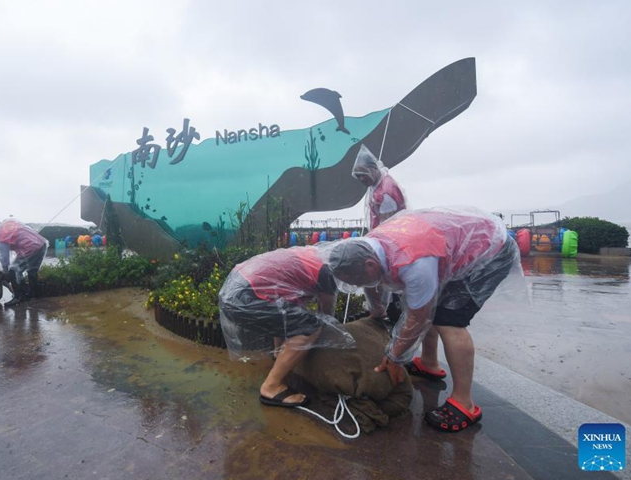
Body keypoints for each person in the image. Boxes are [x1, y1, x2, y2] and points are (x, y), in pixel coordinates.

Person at [326, 206, 521, 432]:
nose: (358, 284)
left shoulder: (413, 263)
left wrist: (394, 356)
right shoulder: (367, 248)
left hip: (489, 250)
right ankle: (429, 363)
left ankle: (464, 403)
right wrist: (377, 311)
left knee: (448, 320)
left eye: (357, 279)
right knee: (430, 308)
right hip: (446, 247)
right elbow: (374, 284)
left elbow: (418, 316)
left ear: (370, 264)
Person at [218, 246, 354, 408]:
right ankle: (271, 386)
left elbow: (286, 307)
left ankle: (279, 356)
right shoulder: (327, 273)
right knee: (310, 327)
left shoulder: (313, 255)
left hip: (234, 289)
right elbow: (326, 313)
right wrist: (323, 335)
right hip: (244, 299)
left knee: (290, 315)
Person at [0, 216, 48, 306]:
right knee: (32, 271)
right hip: (41, 244)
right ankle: (33, 294)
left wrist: (6, 271)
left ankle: (19, 297)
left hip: (30, 248)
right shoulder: (6, 225)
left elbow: (4, 258)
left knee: (13, 271)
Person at [352, 145, 407, 229]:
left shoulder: (384, 192)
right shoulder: (376, 187)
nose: (361, 179)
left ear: (374, 169)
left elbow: (389, 226)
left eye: (364, 174)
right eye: (358, 176)